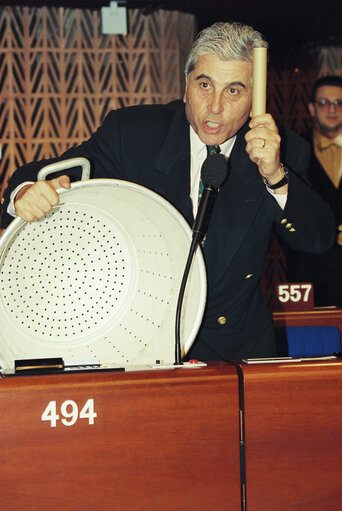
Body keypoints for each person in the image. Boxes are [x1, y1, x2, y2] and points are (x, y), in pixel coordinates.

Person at [0, 22, 335, 360]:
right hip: (135, 342)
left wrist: (274, 173)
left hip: (233, 352)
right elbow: (50, 173)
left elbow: (317, 239)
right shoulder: (133, 133)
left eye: (234, 90)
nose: (215, 106)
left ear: (253, 99)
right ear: (187, 85)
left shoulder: (282, 150)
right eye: (205, 84)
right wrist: (26, 192)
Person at [286, 75, 342, 306]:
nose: (331, 109)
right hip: (309, 273)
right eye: (323, 102)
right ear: (311, 108)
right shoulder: (291, 150)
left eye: (339, 103)